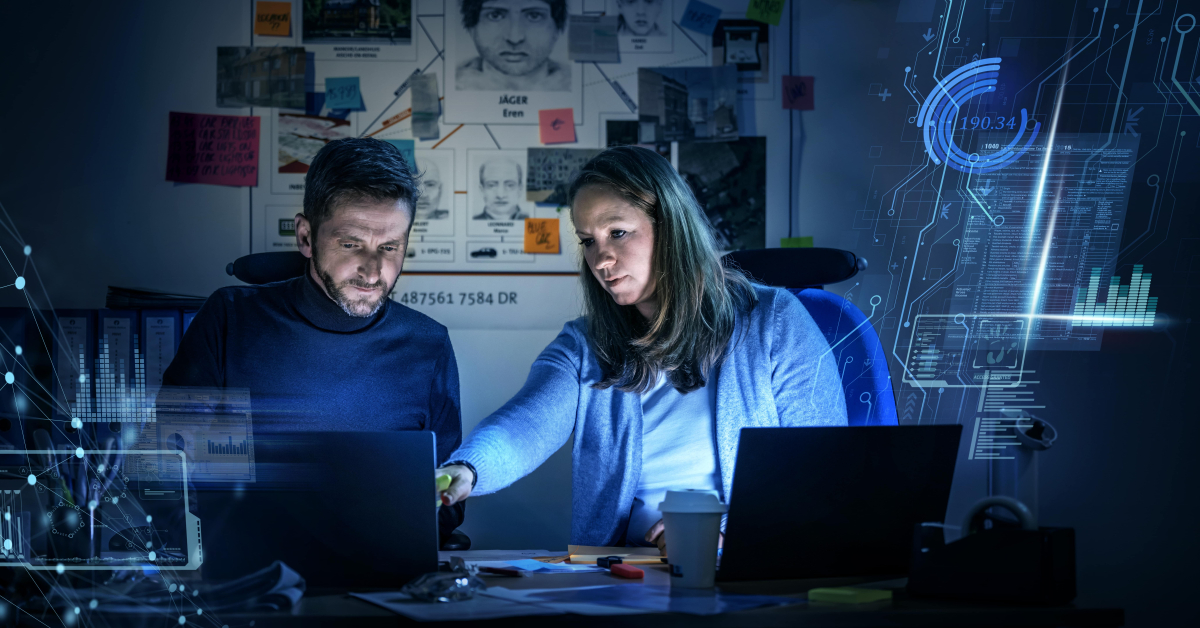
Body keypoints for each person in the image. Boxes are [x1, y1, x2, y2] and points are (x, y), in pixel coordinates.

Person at [436, 146, 847, 551]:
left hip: (748, 559)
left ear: (670, 226)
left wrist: (713, 533)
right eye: (588, 241)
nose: (601, 260)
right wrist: (467, 468)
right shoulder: (584, 343)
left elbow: (817, 468)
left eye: (617, 233)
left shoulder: (776, 320)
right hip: (623, 567)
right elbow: (526, 424)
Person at [163, 137, 465, 542]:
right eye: (351, 244)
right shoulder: (229, 319)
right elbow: (166, 469)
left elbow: (449, 502)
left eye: (390, 247)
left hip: (379, 561)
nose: (373, 271)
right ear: (306, 237)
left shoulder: (429, 345)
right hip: (249, 560)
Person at [456, 0, 571, 91]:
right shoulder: (453, 85)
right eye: (495, 15)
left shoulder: (573, 86)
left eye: (534, 16)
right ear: (472, 28)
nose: (514, 38)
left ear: (557, 29)